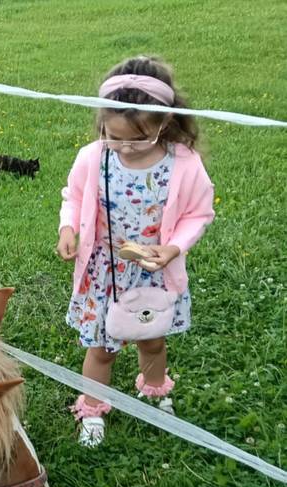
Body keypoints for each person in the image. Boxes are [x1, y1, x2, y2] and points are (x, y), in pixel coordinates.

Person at [56, 56, 215, 447]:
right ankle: (93, 407)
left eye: (137, 137)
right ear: (102, 123)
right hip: (103, 271)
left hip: (154, 271)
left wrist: (173, 248)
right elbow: (73, 197)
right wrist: (68, 227)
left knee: (152, 338)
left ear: (163, 122)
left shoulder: (185, 165)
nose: (125, 146)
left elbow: (199, 213)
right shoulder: (93, 157)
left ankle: (154, 390)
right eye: (114, 135)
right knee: (101, 346)